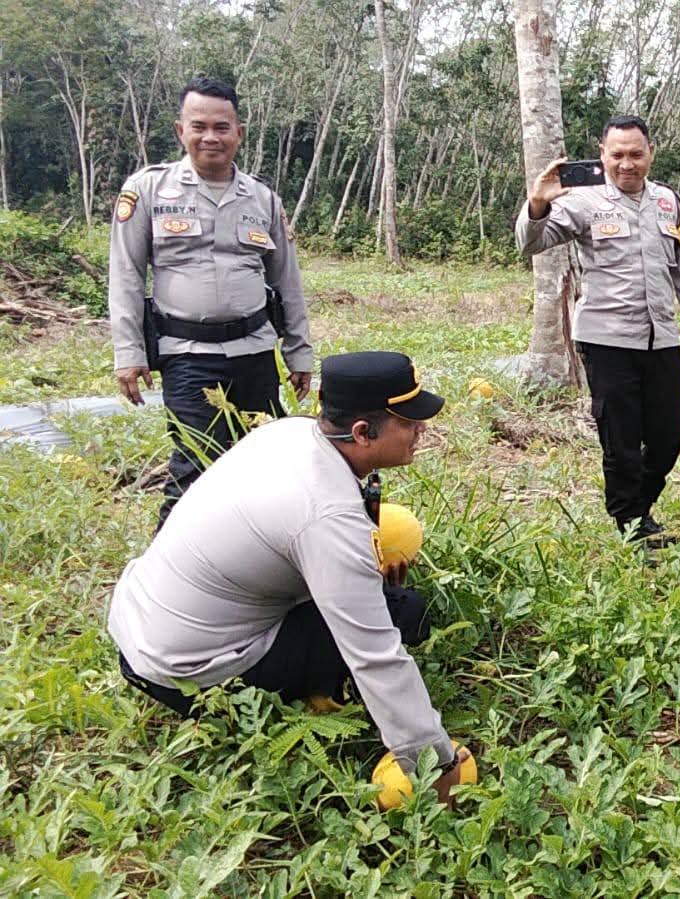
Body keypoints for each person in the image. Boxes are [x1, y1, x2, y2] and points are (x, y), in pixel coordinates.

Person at [107, 351, 471, 802]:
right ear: (362, 432)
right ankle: (308, 695)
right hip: (188, 676)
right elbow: (375, 654)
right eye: (410, 422)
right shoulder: (326, 516)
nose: (422, 431)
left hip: (142, 630)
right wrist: (435, 761)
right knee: (404, 616)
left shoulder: (288, 434)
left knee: (379, 596)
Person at [107, 75, 313, 529]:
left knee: (263, 460)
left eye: (222, 127)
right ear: (180, 130)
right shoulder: (148, 191)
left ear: (239, 131)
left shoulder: (262, 197)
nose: (210, 137)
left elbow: (288, 282)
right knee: (194, 465)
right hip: (187, 355)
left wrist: (298, 351)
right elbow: (124, 275)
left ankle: (253, 563)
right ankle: (168, 572)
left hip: (255, 351)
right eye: (199, 126)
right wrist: (129, 352)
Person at [515, 114, 680, 546]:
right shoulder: (582, 200)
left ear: (651, 154)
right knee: (621, 437)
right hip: (606, 339)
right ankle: (631, 524)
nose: (627, 164)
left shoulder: (668, 202)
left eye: (635, 154)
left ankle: (639, 505)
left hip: (661, 337)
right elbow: (531, 243)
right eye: (617, 155)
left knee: (670, 433)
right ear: (603, 154)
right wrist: (537, 202)